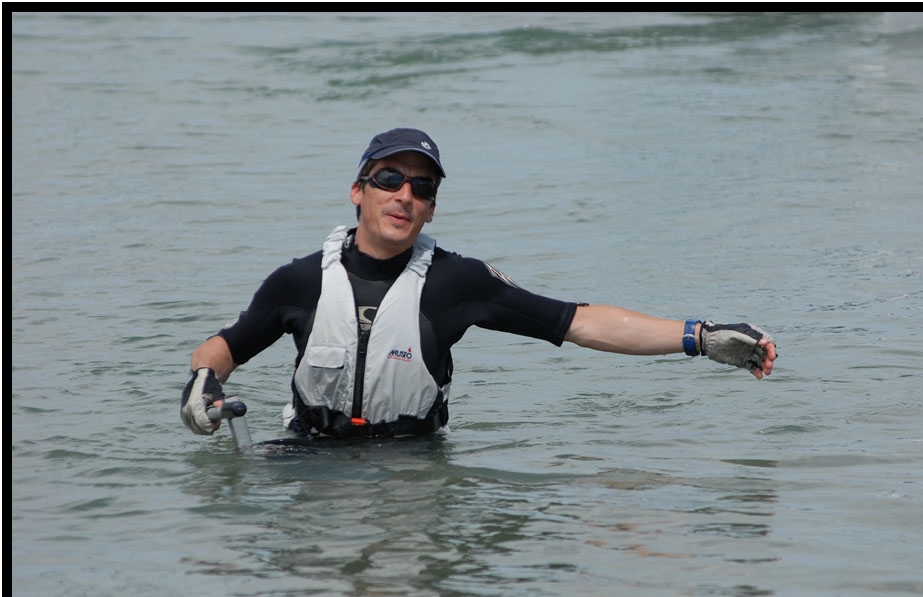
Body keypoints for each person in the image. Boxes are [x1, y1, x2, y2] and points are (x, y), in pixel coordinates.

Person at [181, 128, 777, 439]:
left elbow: (576, 321)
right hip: (306, 458)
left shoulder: (457, 282)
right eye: (390, 178)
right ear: (358, 190)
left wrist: (699, 336)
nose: (405, 195)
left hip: (414, 469)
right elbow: (224, 348)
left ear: (431, 210)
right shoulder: (298, 281)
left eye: (423, 188)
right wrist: (201, 387)